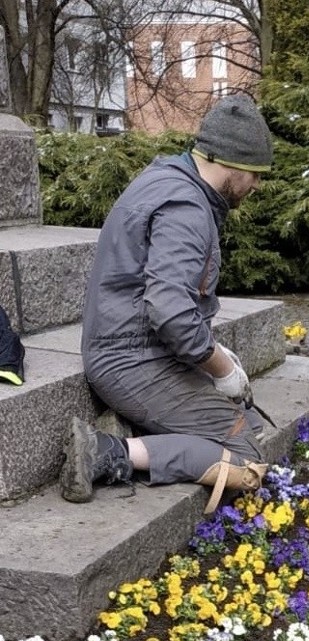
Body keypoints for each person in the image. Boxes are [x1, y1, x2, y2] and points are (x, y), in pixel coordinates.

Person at [60, 92, 274, 513]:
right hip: (132, 359)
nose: (257, 186)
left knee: (246, 422)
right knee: (248, 456)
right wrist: (222, 367)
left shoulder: (168, 178)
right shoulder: (187, 209)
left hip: (136, 349)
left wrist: (210, 353)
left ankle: (135, 429)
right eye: (256, 174)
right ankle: (107, 450)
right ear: (234, 163)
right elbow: (171, 312)